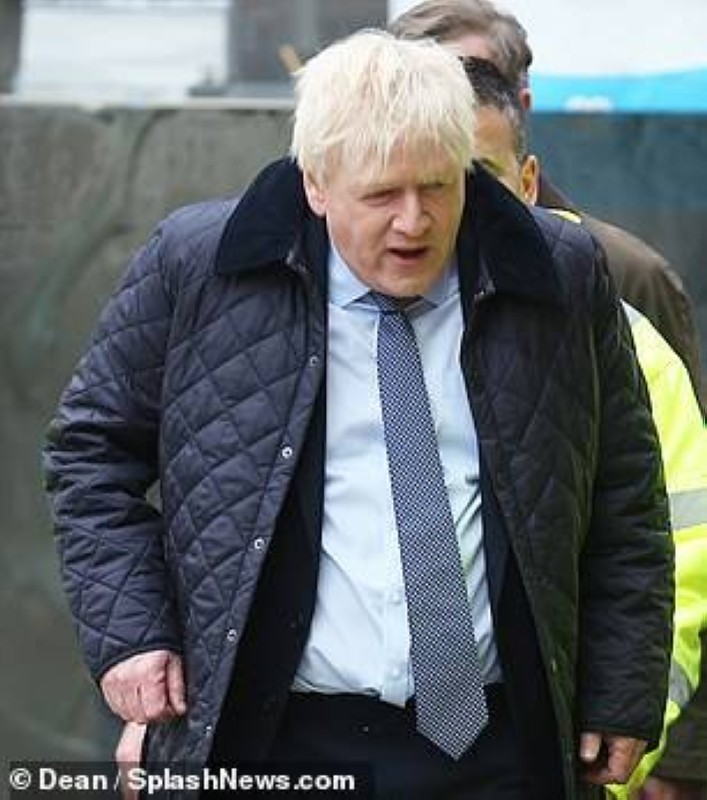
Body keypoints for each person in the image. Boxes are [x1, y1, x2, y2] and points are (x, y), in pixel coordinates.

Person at [45, 30, 673, 800]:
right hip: (275, 739)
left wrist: (620, 683)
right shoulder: (200, 267)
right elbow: (90, 454)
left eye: (438, 186)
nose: (414, 221)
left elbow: (625, 493)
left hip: (503, 744)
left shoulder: (560, 274)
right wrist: (133, 635)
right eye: (381, 195)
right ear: (315, 183)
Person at [457, 55, 707, 800]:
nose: (453, 207)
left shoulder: (617, 335)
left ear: (528, 180)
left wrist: (627, 727)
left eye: (480, 176)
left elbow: (679, 552)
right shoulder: (327, 336)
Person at [389, 0, 705, 415]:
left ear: (518, 105)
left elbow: (674, 437)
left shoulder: (623, 273)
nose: (448, 111)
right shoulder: (355, 273)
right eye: (418, 92)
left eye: (477, 83)